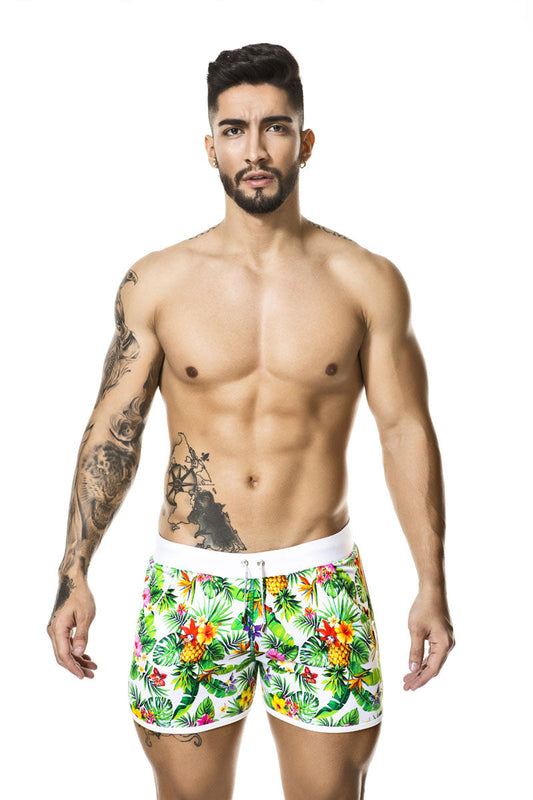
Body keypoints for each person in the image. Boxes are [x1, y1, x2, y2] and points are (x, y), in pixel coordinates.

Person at [47, 42, 455, 800]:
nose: (255, 150)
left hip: (318, 581)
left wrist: (431, 583)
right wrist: (73, 573)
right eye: (234, 130)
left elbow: (404, 430)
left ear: (305, 141)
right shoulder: (158, 282)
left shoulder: (364, 280)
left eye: (275, 127)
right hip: (191, 584)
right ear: (210, 147)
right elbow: (114, 432)